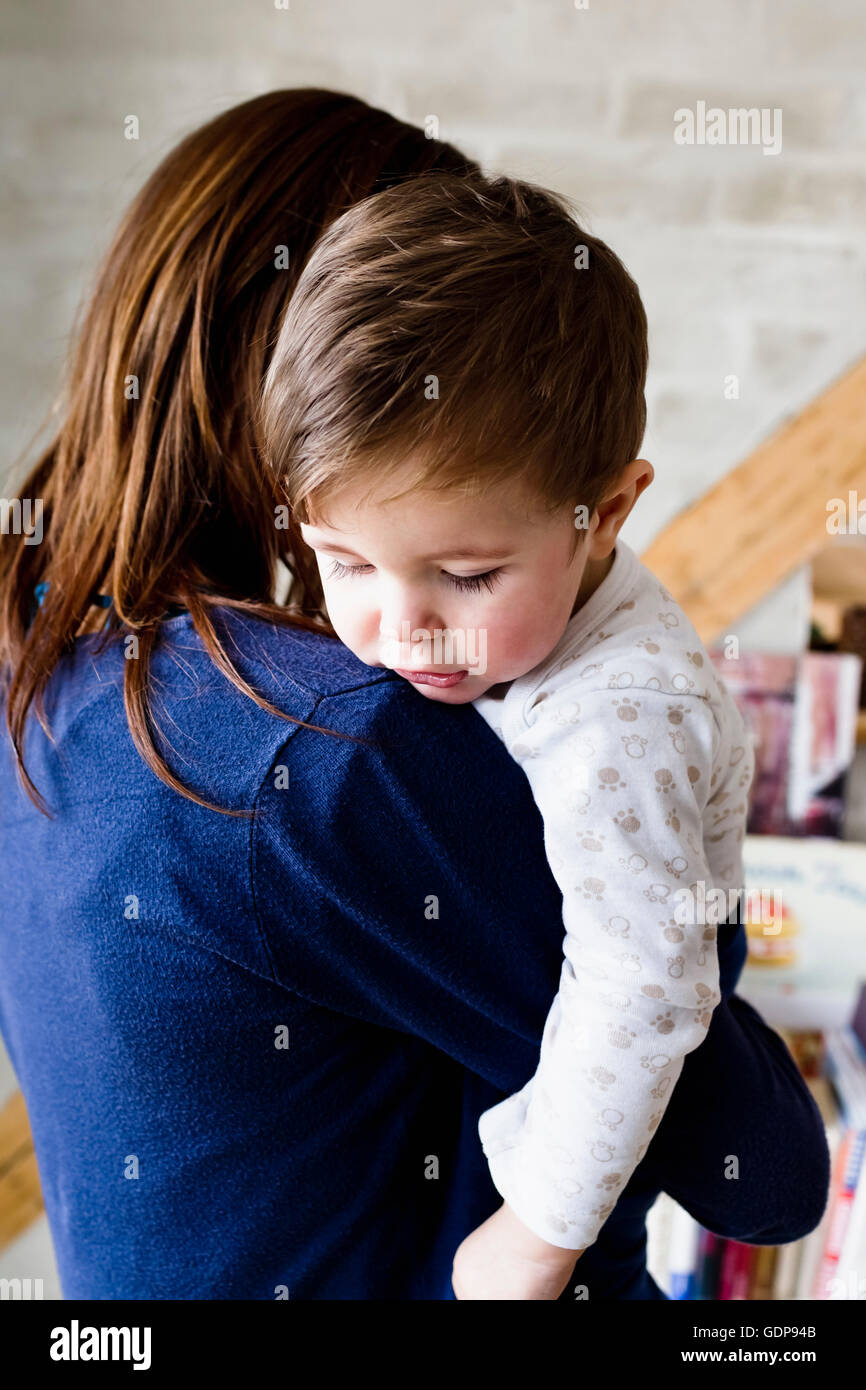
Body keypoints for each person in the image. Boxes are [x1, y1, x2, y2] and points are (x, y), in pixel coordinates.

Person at [0, 91, 829, 1301]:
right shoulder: (325, 743)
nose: (399, 624)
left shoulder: (37, 646)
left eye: (468, 569)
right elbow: (763, 1167)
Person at [257, 170, 770, 1299]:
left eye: (467, 574)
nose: (398, 626)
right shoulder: (457, 617)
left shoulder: (619, 720)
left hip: (607, 1057)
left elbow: (642, 986)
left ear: (608, 512)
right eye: (342, 562)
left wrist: (539, 1236)